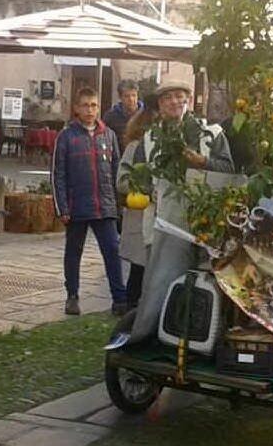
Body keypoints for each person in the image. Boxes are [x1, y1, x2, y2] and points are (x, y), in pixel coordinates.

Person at [129, 78, 236, 342]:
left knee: (203, 283)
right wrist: (145, 189)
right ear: (159, 106)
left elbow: (229, 170)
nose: (174, 101)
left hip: (206, 224)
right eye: (167, 98)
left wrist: (203, 162)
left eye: (179, 96)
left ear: (188, 99)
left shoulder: (210, 133)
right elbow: (138, 175)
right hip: (163, 222)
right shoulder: (150, 138)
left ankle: (199, 338)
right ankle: (158, 337)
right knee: (159, 282)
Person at [51, 87, 127, 316]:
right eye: (85, 105)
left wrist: (119, 204)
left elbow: (117, 171)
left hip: (104, 207)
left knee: (113, 252)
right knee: (73, 253)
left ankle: (119, 299)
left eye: (93, 105)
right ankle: (72, 296)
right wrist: (62, 207)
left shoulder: (109, 135)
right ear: (76, 108)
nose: (90, 110)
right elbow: (58, 174)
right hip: (76, 207)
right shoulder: (66, 137)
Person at [116, 100, 159, 309]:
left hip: (160, 219)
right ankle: (130, 310)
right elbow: (122, 181)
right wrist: (145, 187)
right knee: (139, 269)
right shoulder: (135, 147)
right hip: (140, 217)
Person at [102, 79, 143, 145]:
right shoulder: (110, 117)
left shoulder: (145, 114)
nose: (131, 99)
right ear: (120, 97)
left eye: (134, 95)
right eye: (127, 96)